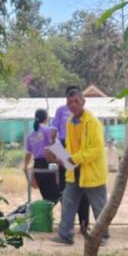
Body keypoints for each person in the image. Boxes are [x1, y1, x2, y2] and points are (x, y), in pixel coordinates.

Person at [47, 86, 108, 246]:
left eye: (76, 101)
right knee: (68, 202)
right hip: (74, 171)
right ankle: (65, 235)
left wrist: (74, 158)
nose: (73, 105)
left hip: (91, 172)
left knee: (99, 205)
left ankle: (103, 236)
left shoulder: (93, 122)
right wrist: (61, 156)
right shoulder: (69, 122)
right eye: (70, 102)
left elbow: (96, 149)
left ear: (83, 102)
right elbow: (69, 146)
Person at [53, 101, 89, 234]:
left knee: (83, 189)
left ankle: (84, 223)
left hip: (80, 149)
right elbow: (54, 131)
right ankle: (68, 225)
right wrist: (58, 151)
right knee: (66, 189)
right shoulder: (60, 110)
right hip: (64, 146)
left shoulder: (85, 114)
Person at [24, 108, 60, 204]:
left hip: (38, 168)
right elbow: (56, 145)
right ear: (46, 118)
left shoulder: (30, 136)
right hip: (49, 165)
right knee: (58, 195)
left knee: (47, 199)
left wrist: (25, 166)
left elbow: (28, 154)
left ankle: (46, 215)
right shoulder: (49, 130)